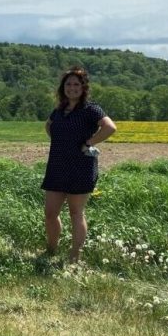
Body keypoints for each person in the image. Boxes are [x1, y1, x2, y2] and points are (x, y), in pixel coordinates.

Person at [41, 66, 116, 263]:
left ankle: (75, 256)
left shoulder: (91, 109)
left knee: (76, 213)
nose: (72, 88)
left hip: (81, 167)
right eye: (68, 84)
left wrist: (89, 143)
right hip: (57, 165)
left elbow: (110, 127)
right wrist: (60, 142)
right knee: (50, 213)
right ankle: (51, 249)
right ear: (62, 87)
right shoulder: (59, 110)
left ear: (83, 88)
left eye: (76, 84)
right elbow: (48, 126)